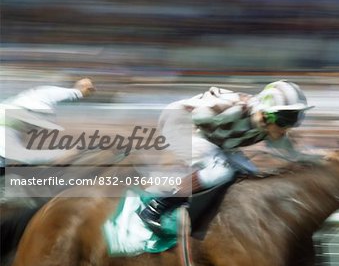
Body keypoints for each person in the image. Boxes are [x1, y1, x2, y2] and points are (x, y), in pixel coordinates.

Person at [138, 80, 322, 234]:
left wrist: (324, 160)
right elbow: (194, 116)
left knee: (253, 174)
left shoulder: (269, 126)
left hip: (213, 138)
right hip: (180, 123)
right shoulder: (233, 108)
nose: (289, 127)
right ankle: (155, 207)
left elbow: (294, 155)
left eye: (295, 119)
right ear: (266, 115)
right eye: (286, 120)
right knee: (220, 171)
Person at [0, 78, 96, 170]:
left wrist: (78, 91)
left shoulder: (18, 106)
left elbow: (48, 93)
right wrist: (60, 154)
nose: (34, 129)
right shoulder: (5, 128)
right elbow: (19, 155)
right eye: (34, 125)